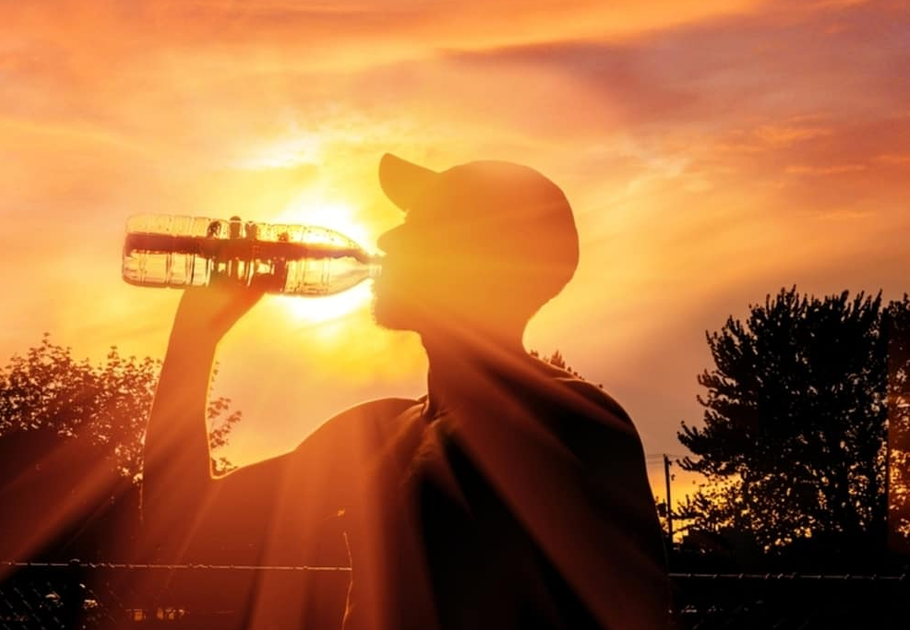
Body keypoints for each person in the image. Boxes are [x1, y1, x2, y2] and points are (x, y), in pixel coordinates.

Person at [138, 154, 672, 630]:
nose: (387, 240)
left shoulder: (568, 422)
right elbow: (179, 524)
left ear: (482, 259)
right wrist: (196, 335)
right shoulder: (379, 431)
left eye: (420, 225)